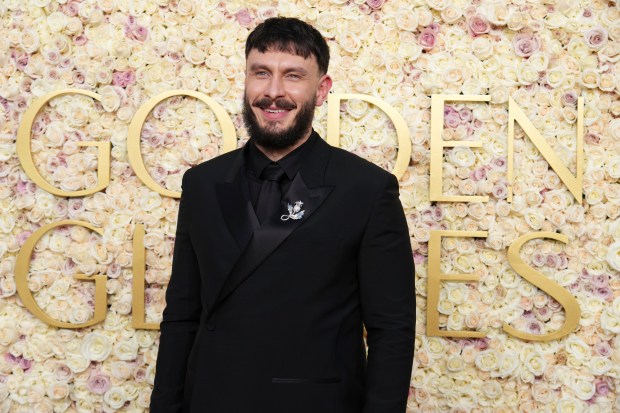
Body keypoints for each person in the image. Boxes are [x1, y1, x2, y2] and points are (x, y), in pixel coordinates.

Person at [150, 17, 415, 413]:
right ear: (245, 80)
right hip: (212, 399)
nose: (273, 92)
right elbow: (181, 316)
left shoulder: (367, 189)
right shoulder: (203, 184)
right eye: (261, 73)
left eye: (293, 76)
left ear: (321, 90)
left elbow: (391, 329)